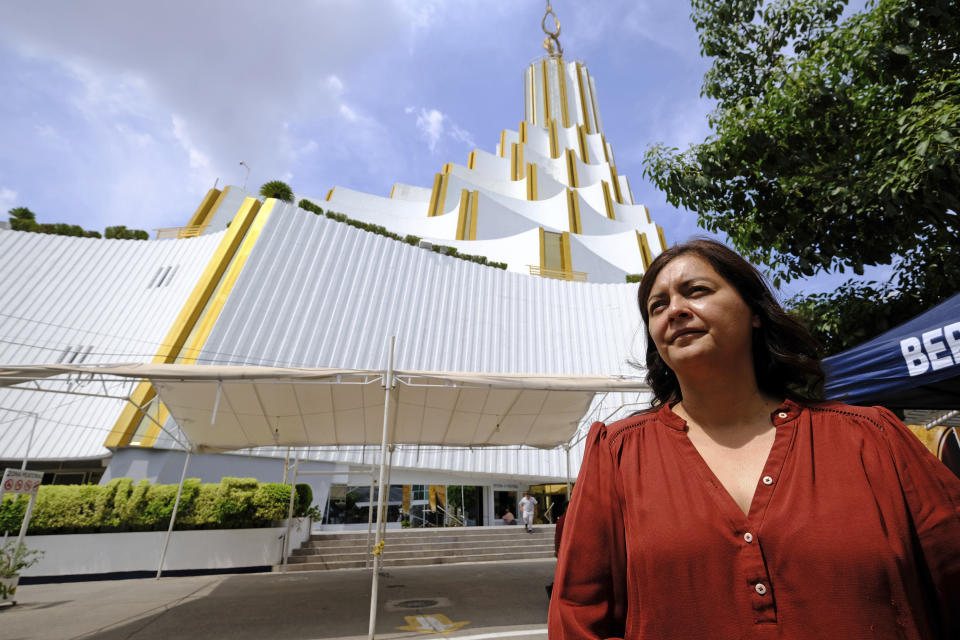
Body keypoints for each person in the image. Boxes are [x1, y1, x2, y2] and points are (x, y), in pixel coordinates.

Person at [548, 239, 960, 639]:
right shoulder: (618, 454)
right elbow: (577, 617)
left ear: (755, 313)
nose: (675, 311)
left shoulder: (871, 437)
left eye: (696, 291)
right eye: (657, 306)